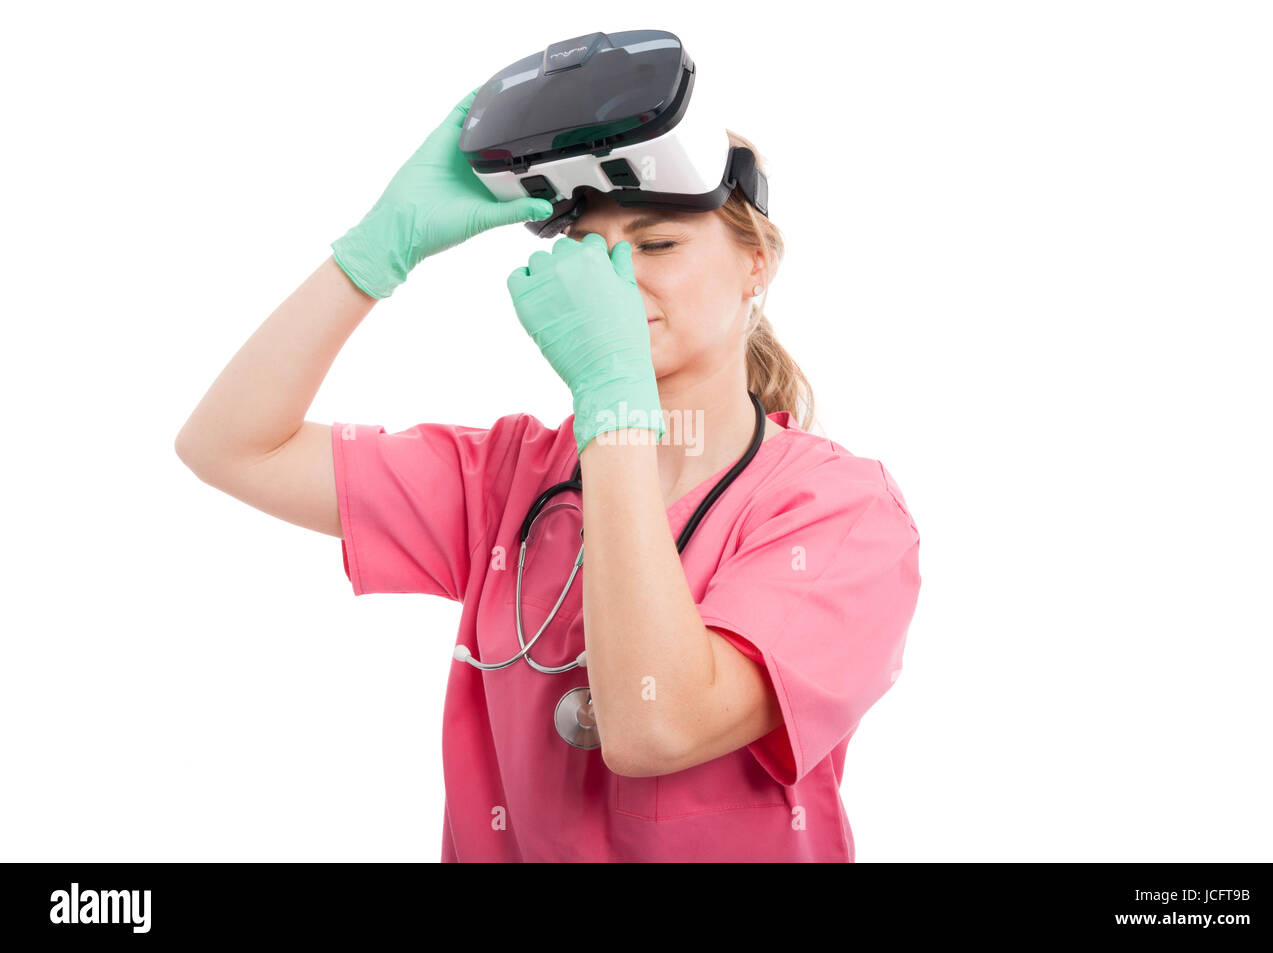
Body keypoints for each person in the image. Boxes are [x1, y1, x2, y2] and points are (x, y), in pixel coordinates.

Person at [175, 88, 922, 863]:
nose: (616, 279)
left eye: (657, 245)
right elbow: (228, 445)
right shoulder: (509, 476)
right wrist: (374, 253)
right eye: (590, 252)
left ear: (755, 265)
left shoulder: (843, 517)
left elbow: (653, 724)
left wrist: (614, 405)